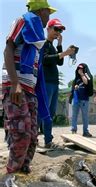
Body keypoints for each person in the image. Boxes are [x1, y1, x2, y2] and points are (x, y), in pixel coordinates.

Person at [2, 0, 55, 174]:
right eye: (49, 12)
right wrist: (15, 83)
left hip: (30, 90)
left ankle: (22, 173)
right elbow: (8, 49)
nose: (49, 16)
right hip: (15, 87)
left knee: (32, 136)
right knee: (21, 134)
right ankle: (10, 176)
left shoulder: (37, 39)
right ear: (41, 11)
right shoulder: (23, 22)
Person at [40, 18, 75, 148]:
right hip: (46, 82)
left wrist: (60, 45)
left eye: (60, 30)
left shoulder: (52, 46)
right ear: (48, 29)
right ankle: (39, 140)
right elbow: (44, 60)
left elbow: (59, 62)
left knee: (51, 112)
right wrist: (64, 53)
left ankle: (47, 140)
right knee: (43, 112)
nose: (58, 32)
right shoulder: (43, 43)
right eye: (56, 29)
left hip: (54, 83)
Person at [70, 63, 93, 137]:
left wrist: (82, 74)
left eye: (81, 68)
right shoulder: (76, 78)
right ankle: (73, 129)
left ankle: (85, 131)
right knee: (74, 115)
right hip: (76, 99)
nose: (79, 70)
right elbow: (72, 88)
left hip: (84, 99)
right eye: (78, 69)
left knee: (85, 116)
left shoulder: (87, 75)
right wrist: (75, 87)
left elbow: (86, 82)